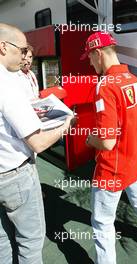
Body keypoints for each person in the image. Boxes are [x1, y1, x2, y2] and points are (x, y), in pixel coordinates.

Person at [81, 31, 137, 264]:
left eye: (89, 56)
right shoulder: (135, 80)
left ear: (98, 53)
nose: (89, 62)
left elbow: (106, 142)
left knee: (102, 223)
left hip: (111, 169)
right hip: (134, 163)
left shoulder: (105, 86)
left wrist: (89, 139)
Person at [0, 23, 73, 264]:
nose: (24, 57)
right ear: (3, 47)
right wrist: (65, 124)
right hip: (14, 175)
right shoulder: (7, 85)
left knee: (3, 241)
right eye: (21, 50)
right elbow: (39, 143)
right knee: (30, 242)